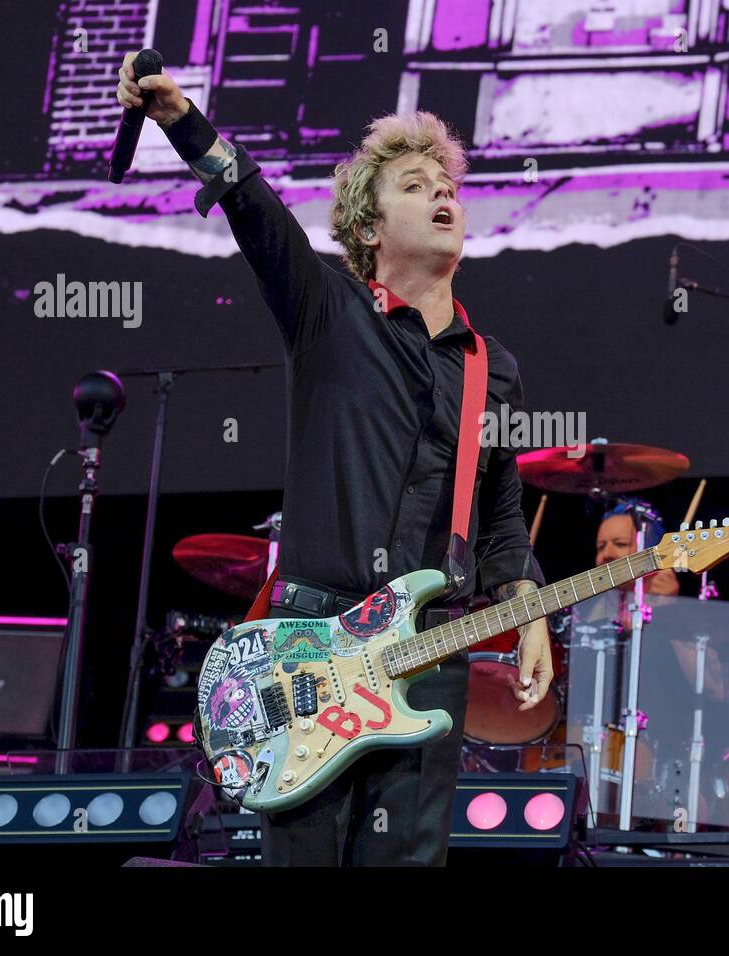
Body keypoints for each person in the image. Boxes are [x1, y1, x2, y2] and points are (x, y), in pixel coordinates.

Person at [116, 55, 554, 866]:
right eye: (415, 186)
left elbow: (497, 510)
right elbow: (252, 206)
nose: (442, 195)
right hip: (309, 648)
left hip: (430, 652)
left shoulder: (493, 367)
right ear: (368, 228)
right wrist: (182, 118)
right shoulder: (328, 307)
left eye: (446, 183)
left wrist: (526, 608)